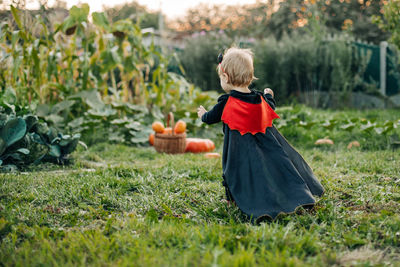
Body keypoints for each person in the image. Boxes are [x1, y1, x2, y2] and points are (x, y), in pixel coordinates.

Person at [197, 47, 324, 223]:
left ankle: (232, 201)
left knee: (232, 172)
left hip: (238, 150)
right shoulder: (259, 99)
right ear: (250, 77)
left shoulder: (226, 102)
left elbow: (210, 119)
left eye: (221, 77)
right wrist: (269, 95)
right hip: (267, 147)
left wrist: (202, 113)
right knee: (273, 171)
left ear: (225, 78)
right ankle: (294, 195)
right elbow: (270, 107)